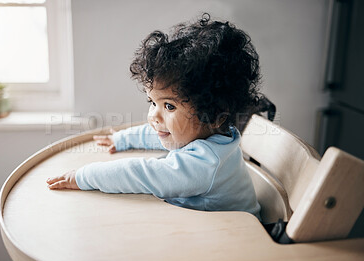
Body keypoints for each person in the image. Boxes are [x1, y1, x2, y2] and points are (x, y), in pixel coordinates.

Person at [46, 13, 262, 219]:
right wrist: (122, 139)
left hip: (239, 242)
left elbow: (141, 174)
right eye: (152, 102)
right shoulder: (211, 134)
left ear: (215, 115)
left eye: (168, 106)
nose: (154, 116)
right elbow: (161, 133)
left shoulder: (207, 162)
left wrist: (82, 177)